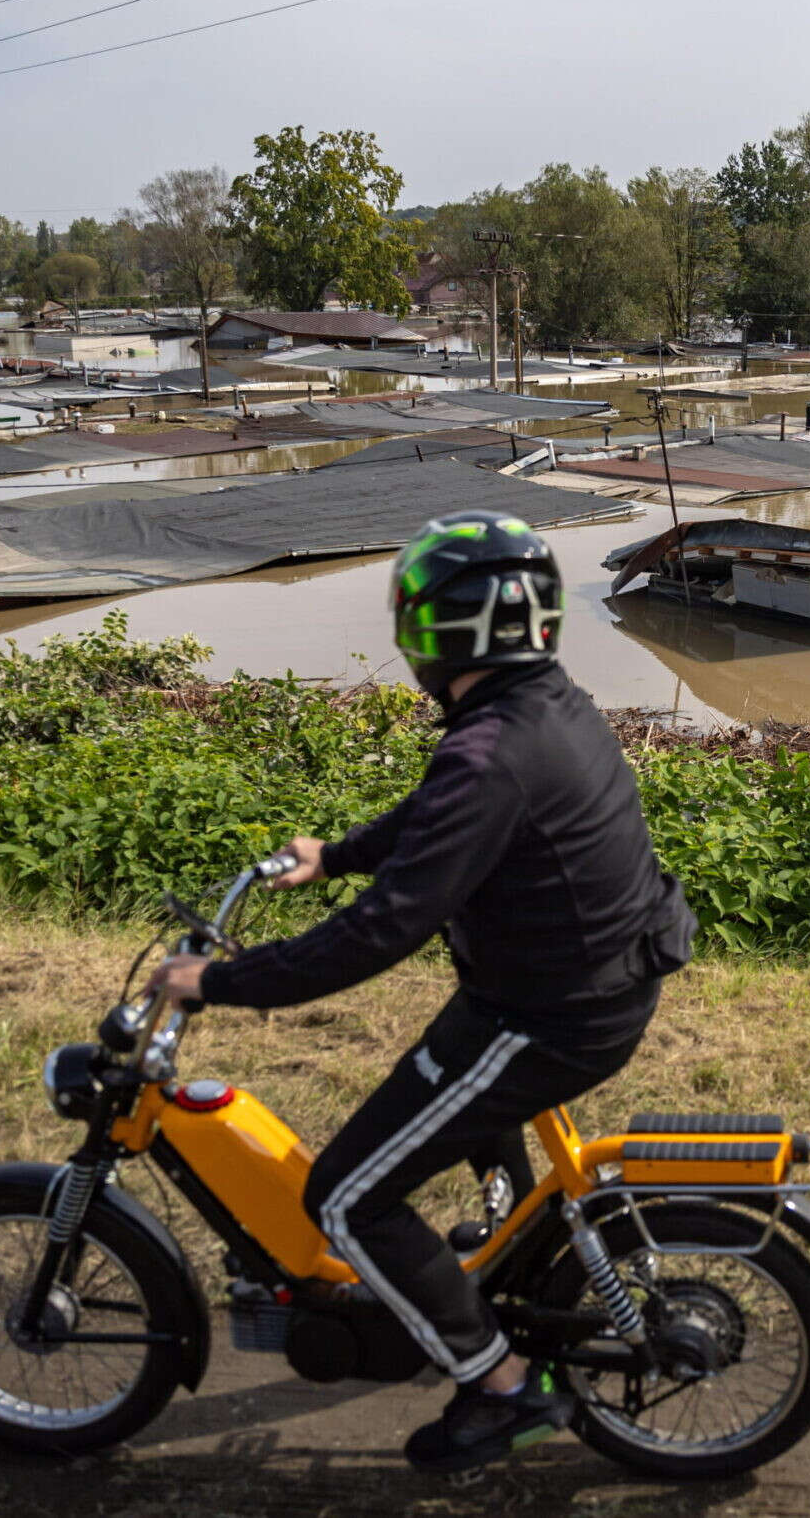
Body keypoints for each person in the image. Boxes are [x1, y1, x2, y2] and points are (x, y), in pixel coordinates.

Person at [150, 510, 694, 1472]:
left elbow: (379, 933)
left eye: (414, 619)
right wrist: (340, 854)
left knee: (349, 1195)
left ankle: (503, 1389)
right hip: (578, 986)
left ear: (449, 632)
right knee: (439, 1082)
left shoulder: (489, 752)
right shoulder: (539, 705)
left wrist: (221, 980)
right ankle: (498, 1251)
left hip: (549, 1017)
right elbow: (438, 815)